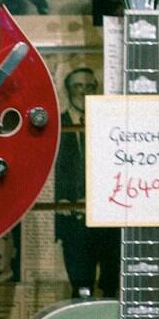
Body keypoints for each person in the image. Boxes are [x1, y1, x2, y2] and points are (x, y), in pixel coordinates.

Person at [52, 64, 119, 297]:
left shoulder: (111, 124)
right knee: (81, 288)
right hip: (74, 223)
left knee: (112, 285)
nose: (83, 92)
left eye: (89, 86)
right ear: (68, 90)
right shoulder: (56, 126)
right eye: (77, 86)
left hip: (108, 223)